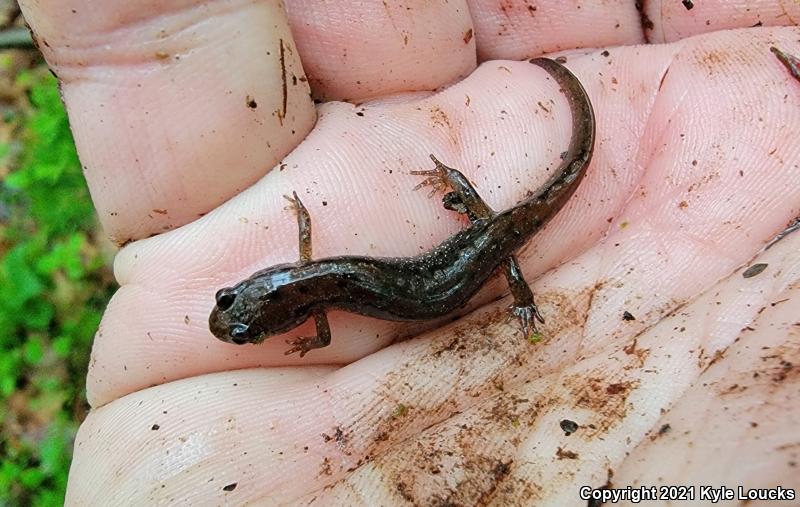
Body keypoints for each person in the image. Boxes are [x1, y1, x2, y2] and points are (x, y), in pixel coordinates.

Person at [20, 1, 800, 504]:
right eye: (246, 317)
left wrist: (517, 290)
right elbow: (312, 273)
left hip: (461, 269)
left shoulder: (320, 299)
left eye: (241, 312)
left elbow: (319, 326)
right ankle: (500, 199)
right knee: (496, 233)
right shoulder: (311, 274)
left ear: (273, 290)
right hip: (458, 270)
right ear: (273, 286)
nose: (239, 313)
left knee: (504, 232)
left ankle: (530, 181)